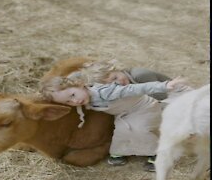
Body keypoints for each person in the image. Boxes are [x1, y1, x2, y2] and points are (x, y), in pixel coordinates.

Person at [40, 73, 186, 172]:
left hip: (143, 108)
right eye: (68, 101)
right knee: (121, 131)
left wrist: (164, 86)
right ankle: (120, 152)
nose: (75, 101)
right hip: (126, 113)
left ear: (80, 85)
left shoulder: (104, 92)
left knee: (139, 129)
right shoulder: (82, 99)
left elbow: (135, 88)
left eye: (73, 95)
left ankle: (158, 154)